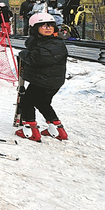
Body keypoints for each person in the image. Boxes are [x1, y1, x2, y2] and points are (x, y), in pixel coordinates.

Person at [16, 13, 68, 141]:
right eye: (43, 26)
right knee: (43, 103)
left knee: (26, 102)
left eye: (50, 25)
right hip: (51, 80)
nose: (47, 28)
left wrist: (24, 54)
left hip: (43, 81)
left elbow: (36, 59)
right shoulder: (48, 42)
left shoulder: (52, 44)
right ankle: (57, 129)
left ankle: (30, 130)